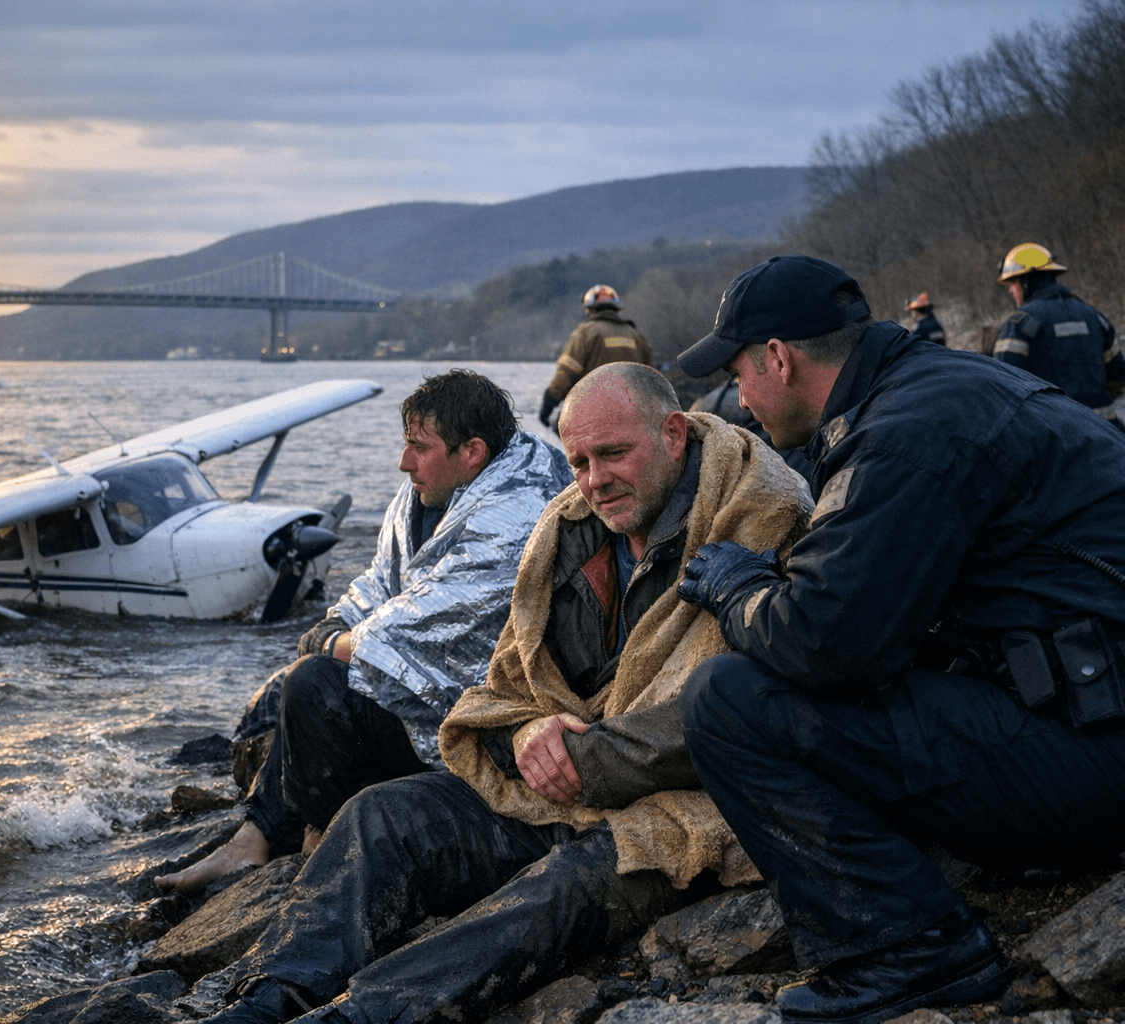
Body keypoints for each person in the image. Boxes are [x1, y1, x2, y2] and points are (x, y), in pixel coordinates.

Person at [199, 363, 813, 1024]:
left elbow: (745, 706)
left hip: (671, 807)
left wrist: (579, 758)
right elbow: (504, 687)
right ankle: (266, 997)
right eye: (578, 460)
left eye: (613, 454)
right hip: (553, 785)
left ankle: (359, 1015)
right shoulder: (569, 529)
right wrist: (522, 732)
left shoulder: (763, 521)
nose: (594, 479)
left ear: (671, 434)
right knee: (380, 815)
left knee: (556, 892)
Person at [673, 254, 1125, 1024]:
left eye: (739, 373)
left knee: (728, 700)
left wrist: (735, 587)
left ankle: (910, 949)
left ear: (778, 359)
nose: (740, 401)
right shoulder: (939, 385)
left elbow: (828, 643)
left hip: (1099, 757)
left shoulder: (907, 432)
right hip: (1093, 710)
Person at [157, 369, 571, 891]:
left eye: (419, 448)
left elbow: (424, 623)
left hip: (482, 732)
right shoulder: (426, 495)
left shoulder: (517, 513)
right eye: (406, 445)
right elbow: (383, 582)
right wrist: (339, 620)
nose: (404, 463)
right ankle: (264, 834)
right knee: (315, 676)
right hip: (438, 704)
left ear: (472, 452)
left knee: (315, 680)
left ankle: (305, 840)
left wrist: (331, 642)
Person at [993, 242, 1124, 426]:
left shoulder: (1019, 324)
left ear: (1026, 282)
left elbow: (1002, 390)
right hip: (1108, 437)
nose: (1010, 289)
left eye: (1013, 282)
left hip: (1058, 444)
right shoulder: (1094, 317)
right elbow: (1118, 376)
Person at [538, 284, 653, 427]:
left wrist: (549, 402)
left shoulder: (585, 333)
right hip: (631, 411)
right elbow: (652, 377)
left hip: (594, 410)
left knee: (559, 426)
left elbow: (567, 372)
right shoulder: (636, 336)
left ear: (589, 308)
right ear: (615, 307)